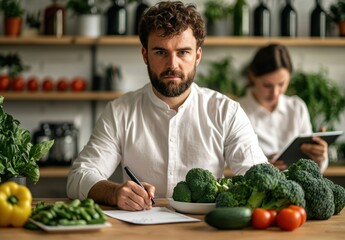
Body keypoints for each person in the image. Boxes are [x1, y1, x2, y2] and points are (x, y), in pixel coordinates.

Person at [66, 1, 267, 211]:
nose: (172, 64)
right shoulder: (120, 112)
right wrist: (114, 192)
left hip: (204, 229)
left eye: (183, 52)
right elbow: (78, 177)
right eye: (161, 52)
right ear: (145, 55)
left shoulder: (227, 112)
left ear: (197, 56)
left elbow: (258, 175)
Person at [237, 43, 328, 172]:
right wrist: (259, 168)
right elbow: (227, 165)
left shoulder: (297, 108)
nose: (275, 92)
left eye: (281, 84)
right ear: (253, 77)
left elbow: (312, 169)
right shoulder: (236, 110)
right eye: (267, 85)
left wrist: (319, 157)